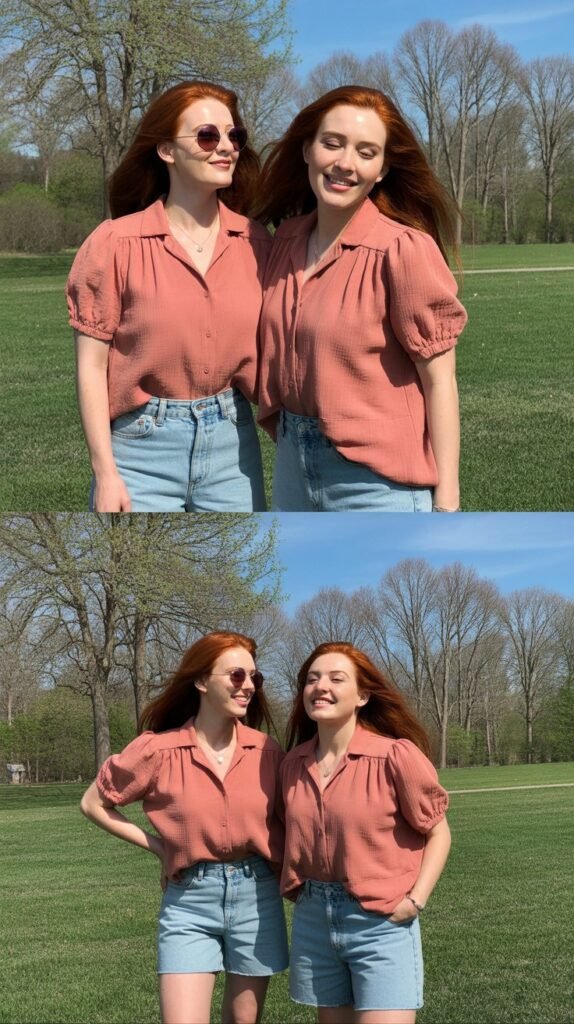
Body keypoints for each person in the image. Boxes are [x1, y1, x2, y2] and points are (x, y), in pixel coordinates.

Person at [254, 86, 468, 512]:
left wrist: (448, 496)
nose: (345, 164)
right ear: (307, 150)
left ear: (383, 169)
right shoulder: (285, 241)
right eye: (332, 143)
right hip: (292, 467)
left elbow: (440, 380)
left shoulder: (403, 249)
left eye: (366, 152)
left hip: (376, 482)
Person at [67, 81, 269, 512]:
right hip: (140, 453)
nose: (226, 147)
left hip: (233, 450)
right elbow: (91, 369)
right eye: (207, 136)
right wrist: (106, 473)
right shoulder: (114, 244)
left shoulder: (256, 243)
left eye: (234, 136)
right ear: (165, 151)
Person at [80, 632, 288, 1024]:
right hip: (189, 899)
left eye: (255, 679)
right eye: (237, 675)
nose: (248, 687)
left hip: (257, 895)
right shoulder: (156, 750)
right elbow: (93, 803)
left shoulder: (267, 752)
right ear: (201, 681)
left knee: (243, 1020)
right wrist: (160, 847)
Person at [279, 641, 451, 1023]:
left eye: (336, 679)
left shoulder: (395, 756)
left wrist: (415, 900)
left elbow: (438, 833)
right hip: (314, 921)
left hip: (381, 920)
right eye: (312, 679)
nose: (320, 686)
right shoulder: (292, 764)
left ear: (362, 695)